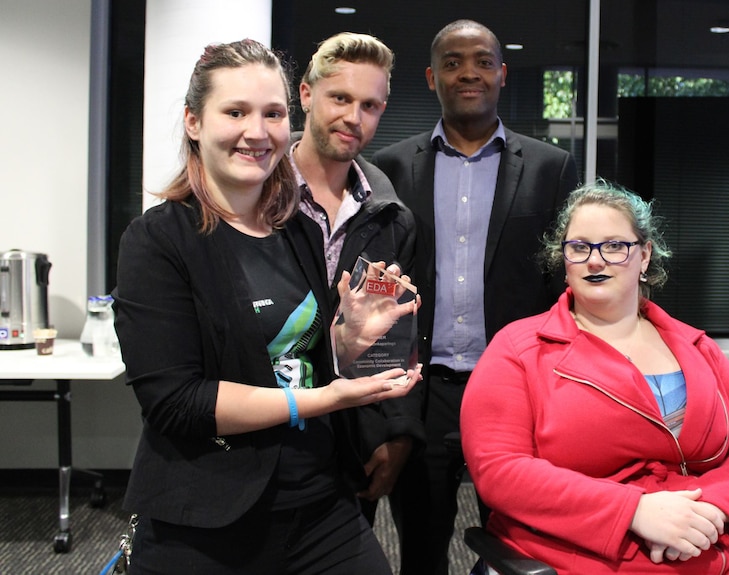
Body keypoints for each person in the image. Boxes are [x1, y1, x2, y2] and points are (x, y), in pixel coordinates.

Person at [112, 39, 420, 575]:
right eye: (235, 112)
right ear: (193, 122)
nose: (257, 132)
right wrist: (320, 400)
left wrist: (345, 342)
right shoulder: (158, 240)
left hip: (319, 503)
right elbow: (176, 402)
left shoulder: (294, 229)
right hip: (208, 516)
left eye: (272, 113)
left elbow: (291, 357)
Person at [460, 179, 729, 575]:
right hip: (580, 561)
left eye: (614, 246)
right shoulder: (519, 349)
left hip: (717, 554)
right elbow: (500, 470)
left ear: (644, 255)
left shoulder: (698, 347)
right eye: (580, 247)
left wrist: (710, 510)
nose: (595, 261)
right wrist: (634, 511)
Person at [372, 19, 579, 575]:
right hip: (424, 389)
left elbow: (566, 286)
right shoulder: (388, 168)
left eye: (483, 61)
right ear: (431, 77)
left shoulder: (550, 167)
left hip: (515, 389)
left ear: (502, 74)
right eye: (454, 62)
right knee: (420, 546)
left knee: (522, 548)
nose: (469, 72)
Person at [289, 32, 424, 526]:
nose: (353, 117)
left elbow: (396, 336)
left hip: (348, 446)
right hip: (261, 430)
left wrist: (395, 433)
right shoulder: (257, 199)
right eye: (340, 98)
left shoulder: (392, 218)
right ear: (306, 94)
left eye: (369, 105)